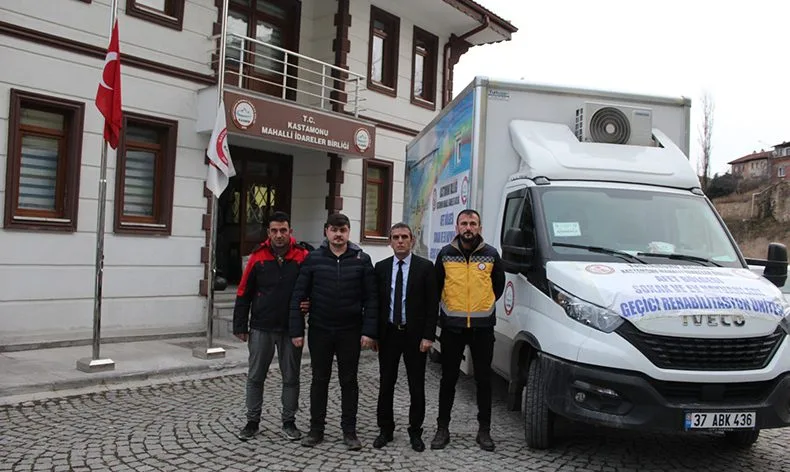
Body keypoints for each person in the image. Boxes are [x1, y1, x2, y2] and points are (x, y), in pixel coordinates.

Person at [289, 212, 378, 450]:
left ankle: (349, 431)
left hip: (350, 330)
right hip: (320, 329)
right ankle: (316, 430)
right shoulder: (313, 259)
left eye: (343, 230)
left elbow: (371, 299)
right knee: (319, 380)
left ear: (348, 232)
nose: (338, 235)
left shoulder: (362, 259)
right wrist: (297, 330)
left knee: (349, 381)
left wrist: (369, 331)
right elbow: (299, 294)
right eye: (334, 230)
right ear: (326, 231)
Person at [430, 209, 505, 452]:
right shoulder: (445, 254)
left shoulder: (491, 255)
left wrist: (482, 307)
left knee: (484, 380)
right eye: (464, 223)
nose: (468, 228)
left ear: (479, 228)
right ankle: (442, 429)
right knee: (448, 379)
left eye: (473, 223)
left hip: (482, 328)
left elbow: (498, 287)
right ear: (457, 227)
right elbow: (436, 287)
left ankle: (484, 431)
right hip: (453, 328)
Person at [233, 211, 310, 442]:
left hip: (291, 329)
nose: (279, 235)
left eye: (283, 230)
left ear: (290, 231)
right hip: (261, 327)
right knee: (256, 377)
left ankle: (289, 422)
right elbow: (243, 291)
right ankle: (252, 422)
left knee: (291, 378)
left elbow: (314, 286)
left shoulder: (303, 255)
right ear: (268, 232)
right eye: (274, 231)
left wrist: (310, 302)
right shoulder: (257, 256)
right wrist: (240, 324)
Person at [372, 222, 439, 452]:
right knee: (386, 384)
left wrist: (428, 336)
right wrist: (374, 335)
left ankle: (415, 431)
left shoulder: (425, 267)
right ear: (390, 242)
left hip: (415, 335)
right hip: (389, 334)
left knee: (416, 385)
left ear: (412, 240)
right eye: (396, 237)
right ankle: (385, 429)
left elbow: (432, 305)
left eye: (404, 237)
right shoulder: (381, 268)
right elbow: (376, 303)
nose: (400, 241)